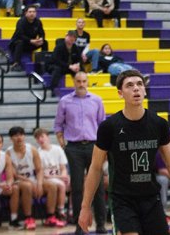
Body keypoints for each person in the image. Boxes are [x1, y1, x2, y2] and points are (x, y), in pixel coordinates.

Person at [79, 70, 170, 235]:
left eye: (139, 84)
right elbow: (95, 167)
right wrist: (85, 207)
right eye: (130, 85)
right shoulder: (109, 127)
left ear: (144, 90)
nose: (136, 88)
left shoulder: (159, 124)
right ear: (120, 93)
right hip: (123, 201)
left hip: (151, 198)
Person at [53, 71, 107, 235]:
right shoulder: (65, 101)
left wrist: (104, 148)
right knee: (77, 188)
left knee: (98, 187)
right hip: (74, 148)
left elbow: (102, 125)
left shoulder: (97, 100)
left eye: (84, 81)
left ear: (88, 82)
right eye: (78, 81)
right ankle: (79, 226)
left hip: (94, 147)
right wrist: (63, 145)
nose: (81, 84)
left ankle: (101, 225)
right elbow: (58, 125)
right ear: (73, 82)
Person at [6, 126, 61, 230]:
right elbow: (14, 175)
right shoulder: (9, 153)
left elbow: (39, 170)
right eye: (16, 135)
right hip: (19, 181)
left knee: (52, 186)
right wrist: (31, 182)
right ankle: (28, 218)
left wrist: (39, 184)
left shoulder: (32, 149)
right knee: (27, 186)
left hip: (33, 179)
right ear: (11, 138)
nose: (19, 138)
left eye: (21, 135)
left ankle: (50, 216)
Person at [34, 128, 70, 224]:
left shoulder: (57, 149)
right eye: (38, 138)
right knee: (61, 185)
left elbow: (63, 168)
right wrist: (61, 178)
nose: (40, 139)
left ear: (47, 137)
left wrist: (64, 176)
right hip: (48, 178)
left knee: (75, 184)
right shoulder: (38, 153)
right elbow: (41, 173)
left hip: (59, 177)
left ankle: (72, 212)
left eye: (42, 136)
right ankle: (61, 211)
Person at [8, 4, 48, 71]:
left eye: (34, 12)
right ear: (25, 13)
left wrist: (41, 39)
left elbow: (42, 33)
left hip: (30, 43)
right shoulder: (21, 21)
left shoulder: (38, 22)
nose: (32, 14)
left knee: (44, 42)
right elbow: (20, 35)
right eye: (30, 12)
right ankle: (16, 63)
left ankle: (44, 62)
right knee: (20, 42)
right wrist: (31, 41)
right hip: (16, 43)